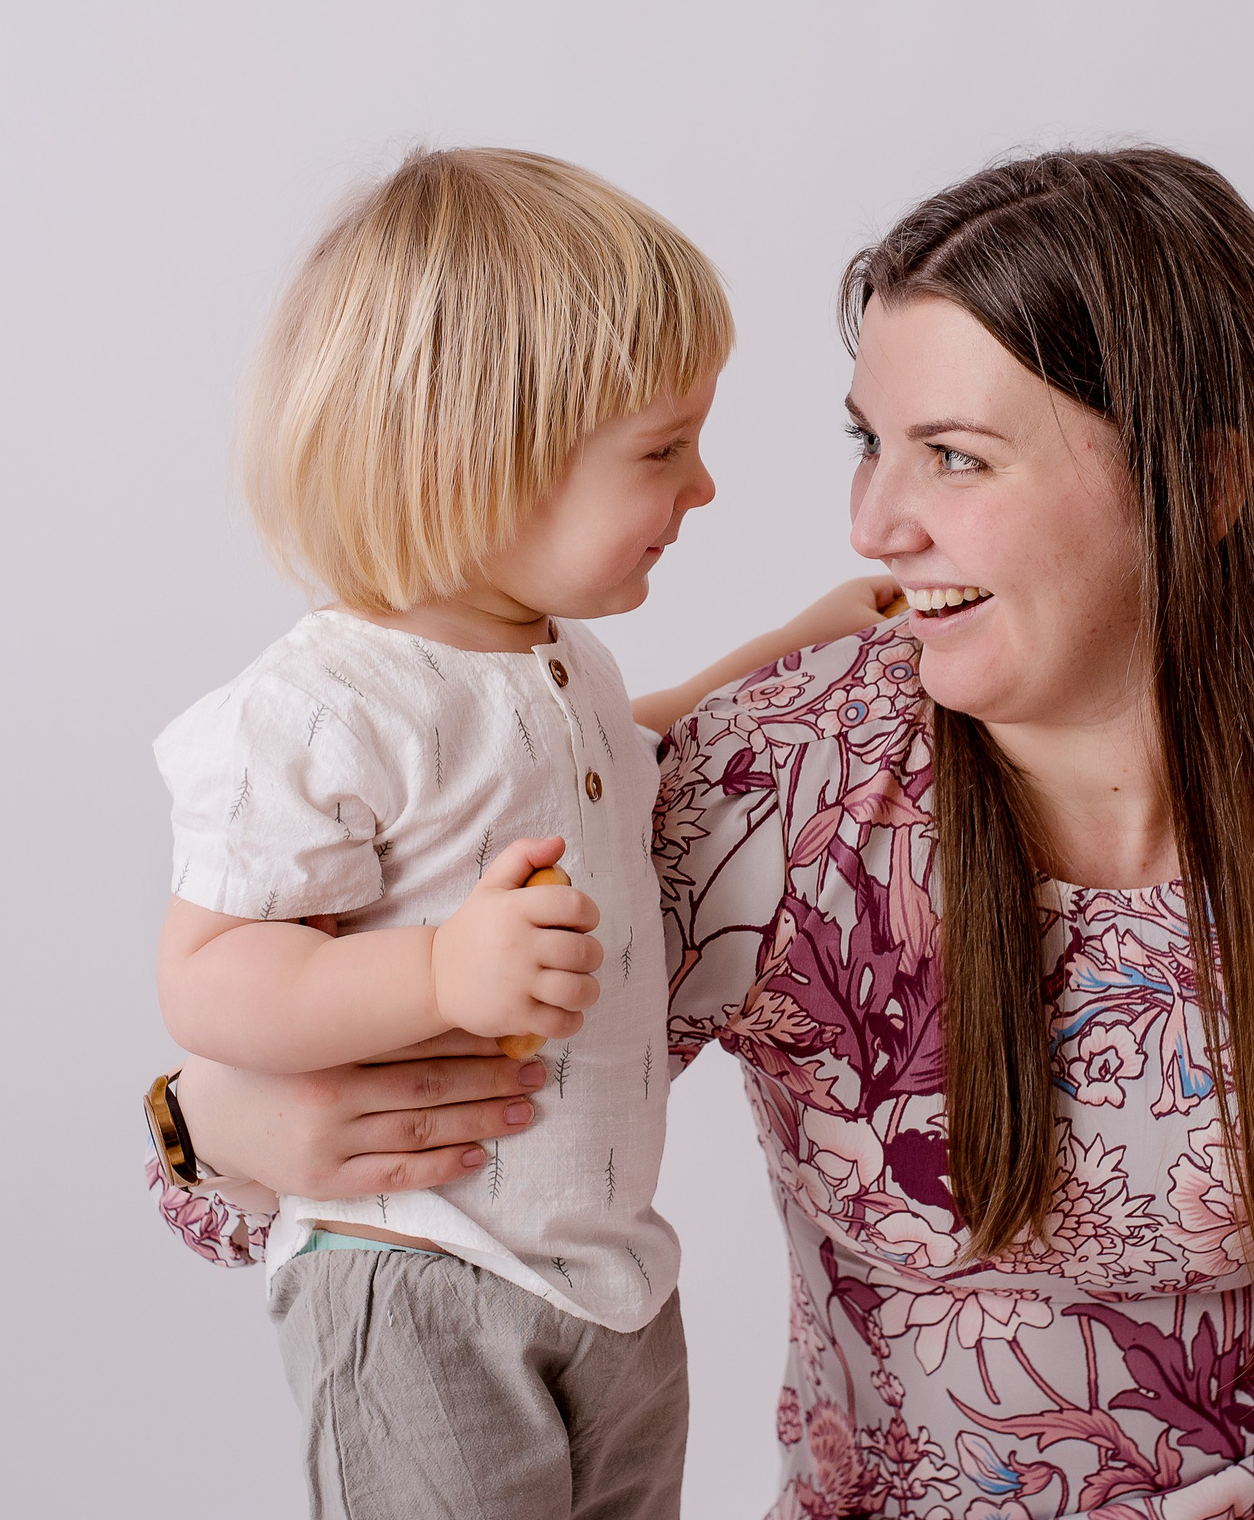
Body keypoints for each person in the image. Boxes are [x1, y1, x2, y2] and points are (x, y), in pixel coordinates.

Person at [148, 147, 1254, 1517]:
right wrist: (220, 1120)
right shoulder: (771, 794)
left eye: (957, 456)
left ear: (1203, 479)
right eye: (869, 444)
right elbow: (374, 1179)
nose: (875, 521)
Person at [150, 146, 892, 1519]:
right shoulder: (330, 707)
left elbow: (630, 752)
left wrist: (796, 643)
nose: (705, 487)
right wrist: (434, 976)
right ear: (479, 462)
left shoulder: (555, 667)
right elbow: (206, 971)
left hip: (605, 1271)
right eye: (664, 450)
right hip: (421, 1265)